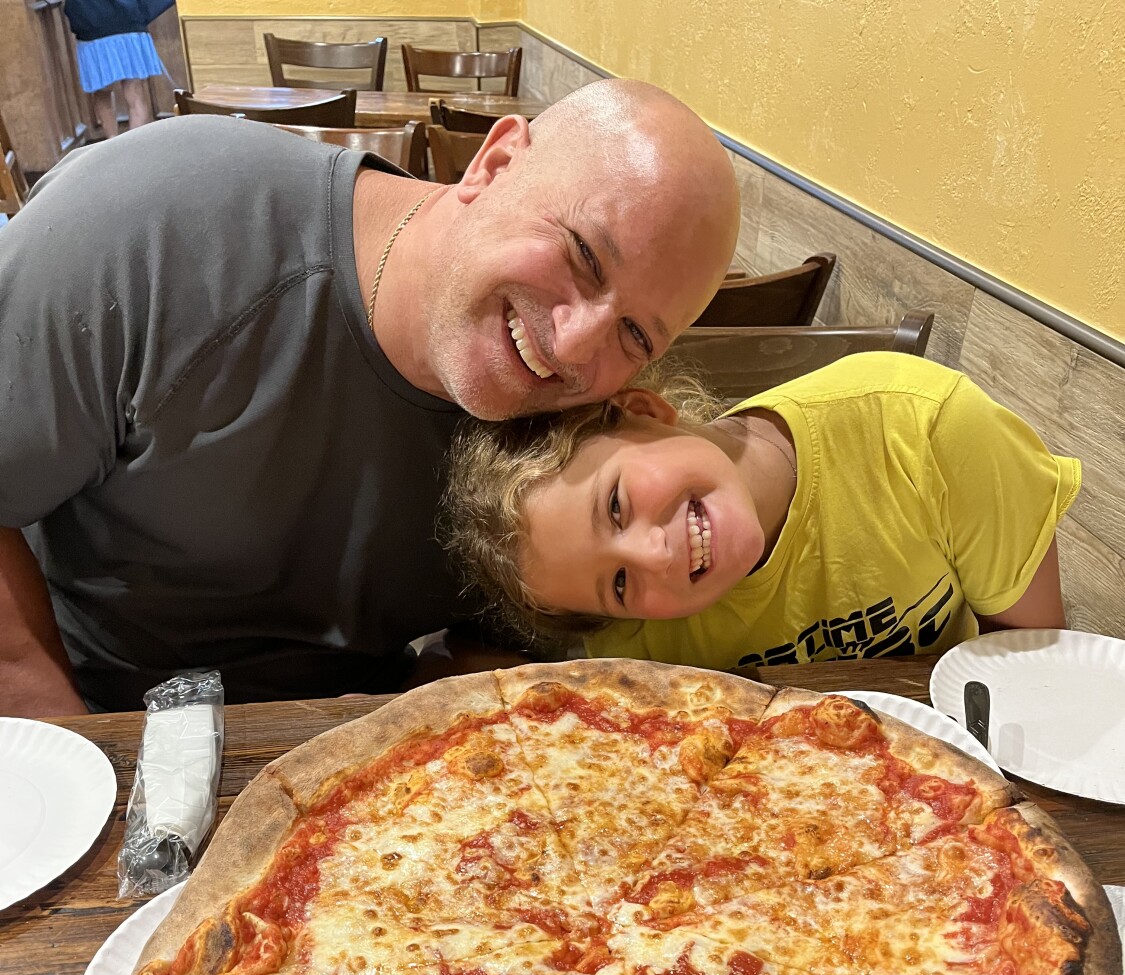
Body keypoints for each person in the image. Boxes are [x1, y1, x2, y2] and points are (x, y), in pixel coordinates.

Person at [0, 80, 740, 716]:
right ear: (496, 160)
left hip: (368, 776)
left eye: (636, 336)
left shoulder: (583, 438)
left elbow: (499, 639)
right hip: (103, 715)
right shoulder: (153, 218)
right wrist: (81, 761)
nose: (574, 348)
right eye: (582, 255)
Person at [441, 351, 1073, 669]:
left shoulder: (927, 426)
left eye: (616, 504)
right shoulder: (625, 637)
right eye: (620, 584)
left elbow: (1034, 661)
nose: (653, 555)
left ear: (647, 411)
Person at [63, 0, 164, 140]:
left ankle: (113, 145)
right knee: (135, 95)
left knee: (103, 93)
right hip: (128, 19)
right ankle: (134, 148)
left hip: (91, 21)